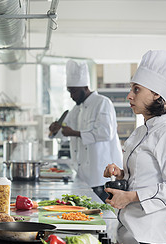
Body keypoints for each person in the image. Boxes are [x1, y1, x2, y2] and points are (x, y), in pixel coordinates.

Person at [103, 50, 166, 244]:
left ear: (157, 94)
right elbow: (144, 176)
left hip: (148, 236)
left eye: (136, 89)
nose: (129, 96)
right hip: (127, 228)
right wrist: (120, 173)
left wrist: (131, 197)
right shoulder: (141, 131)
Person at [49, 60, 122, 200]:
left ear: (84, 87)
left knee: (104, 215)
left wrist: (74, 133)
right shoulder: (76, 109)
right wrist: (55, 129)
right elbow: (63, 132)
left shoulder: (102, 103)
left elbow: (106, 132)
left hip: (101, 175)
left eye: (74, 91)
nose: (71, 96)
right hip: (82, 174)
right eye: (69, 91)